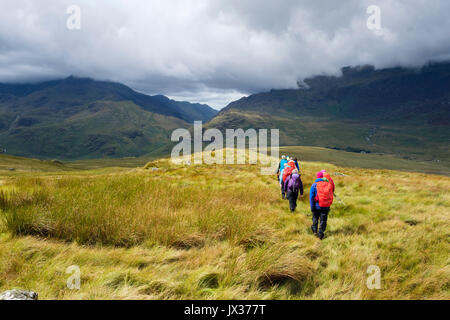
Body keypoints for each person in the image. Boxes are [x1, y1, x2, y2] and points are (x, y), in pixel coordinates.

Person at [310, 171, 335, 240]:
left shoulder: (314, 185)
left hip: (316, 206)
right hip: (325, 206)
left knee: (315, 218)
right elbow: (331, 193)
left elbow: (311, 197)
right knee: (323, 220)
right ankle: (320, 234)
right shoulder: (328, 184)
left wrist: (312, 207)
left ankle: (315, 231)